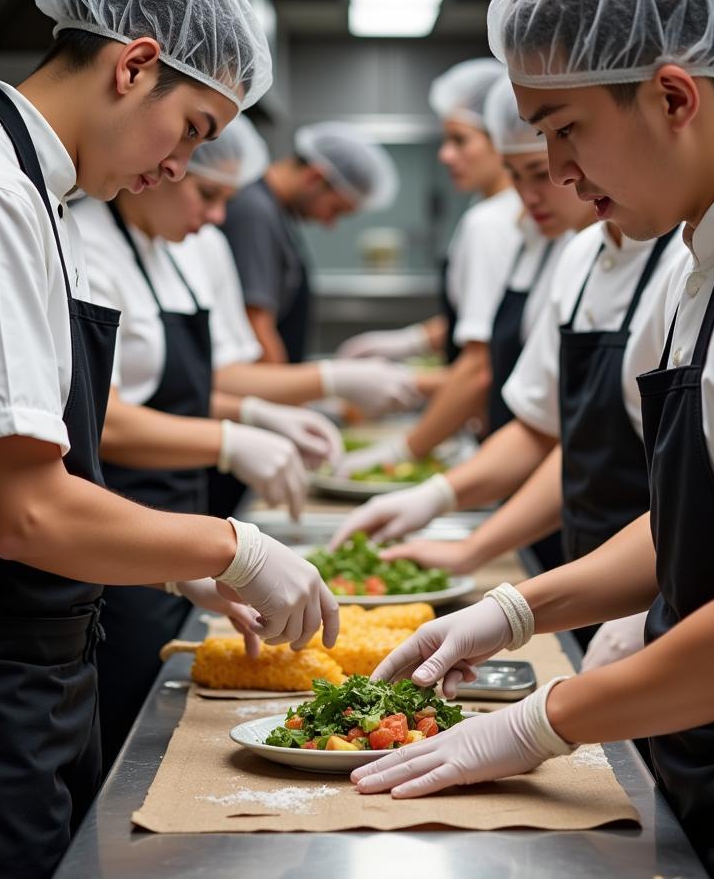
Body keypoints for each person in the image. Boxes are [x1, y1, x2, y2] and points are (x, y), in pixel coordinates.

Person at [349, 0, 714, 879]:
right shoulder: (709, 255)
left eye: (564, 129)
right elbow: (701, 515)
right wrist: (516, 609)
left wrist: (538, 723)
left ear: (673, 96)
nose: (555, 172)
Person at [0, 0, 338, 879]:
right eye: (194, 128)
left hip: (15, 653)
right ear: (134, 66)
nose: (183, 165)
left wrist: (165, 567)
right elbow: (26, 511)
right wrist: (229, 546)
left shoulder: (37, 195)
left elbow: (46, 470)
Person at [74, 118, 344, 767]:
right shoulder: (86, 246)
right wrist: (231, 439)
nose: (219, 218)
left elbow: (194, 384)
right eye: (208, 196)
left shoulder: (171, 250)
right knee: (132, 742)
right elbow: (97, 417)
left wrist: (253, 412)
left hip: (176, 530)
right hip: (111, 527)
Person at [329, 76, 596, 574]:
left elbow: (482, 374)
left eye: (539, 172)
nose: (535, 193)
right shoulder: (566, 246)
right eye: (520, 177)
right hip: (537, 498)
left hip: (597, 528)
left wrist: (408, 452)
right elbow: (544, 430)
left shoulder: (590, 244)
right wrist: (438, 498)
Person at [335, 60, 526, 476]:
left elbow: (479, 367)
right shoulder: (492, 211)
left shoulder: (492, 223)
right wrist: (412, 340)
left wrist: (403, 452)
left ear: (504, 137)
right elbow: (492, 316)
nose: (445, 155)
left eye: (460, 140)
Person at [221, 120, 398, 363]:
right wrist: (286, 391)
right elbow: (255, 325)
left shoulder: (275, 213)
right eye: (335, 209)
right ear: (315, 177)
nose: (329, 223)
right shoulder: (255, 212)